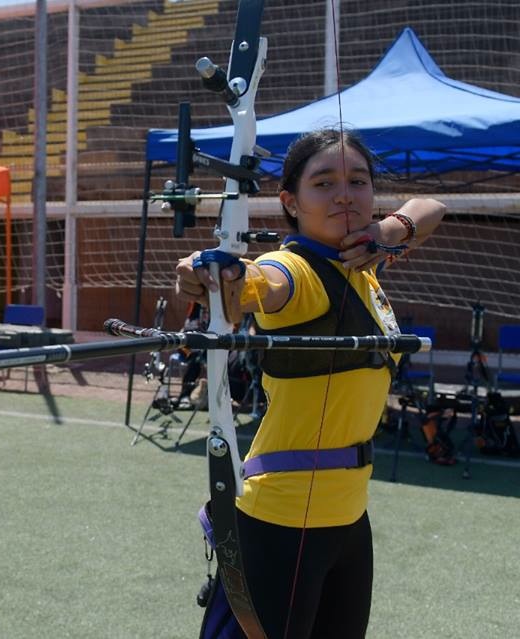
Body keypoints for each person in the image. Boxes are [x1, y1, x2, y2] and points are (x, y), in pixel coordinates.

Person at [176, 128, 445, 638]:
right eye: (323, 183)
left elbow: (432, 207)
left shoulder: (360, 265)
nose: (345, 194)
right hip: (282, 522)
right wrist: (216, 276)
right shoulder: (297, 268)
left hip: (348, 520)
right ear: (290, 203)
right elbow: (263, 282)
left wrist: (390, 231)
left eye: (358, 181)